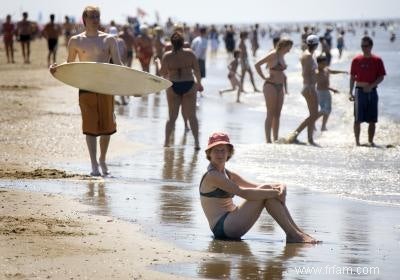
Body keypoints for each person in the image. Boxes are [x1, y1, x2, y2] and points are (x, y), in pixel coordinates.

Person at [199, 132, 319, 243]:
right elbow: (243, 193)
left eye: (223, 150)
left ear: (229, 152)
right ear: (209, 153)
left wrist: (280, 186)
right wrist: (275, 192)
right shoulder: (213, 175)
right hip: (223, 228)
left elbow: (254, 186)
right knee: (267, 193)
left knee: (267, 191)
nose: (220, 154)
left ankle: (297, 232)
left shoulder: (227, 173)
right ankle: (294, 235)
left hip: (232, 221)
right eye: (216, 150)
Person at [50, 6, 122, 176]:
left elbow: (119, 66)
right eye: (92, 16)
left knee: (107, 127)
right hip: (86, 88)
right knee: (90, 126)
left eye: (98, 16)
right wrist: (57, 69)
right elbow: (70, 65)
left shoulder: (109, 40)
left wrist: (134, 85)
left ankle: (103, 159)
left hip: (106, 88)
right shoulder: (76, 41)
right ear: (84, 19)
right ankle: (94, 164)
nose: (96, 19)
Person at [156, 31, 203, 150]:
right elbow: (197, 71)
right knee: (192, 116)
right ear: (183, 42)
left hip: (173, 85)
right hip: (189, 84)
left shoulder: (167, 56)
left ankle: (166, 142)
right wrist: (199, 83)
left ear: (171, 43)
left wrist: (157, 63)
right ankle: (197, 142)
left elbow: (161, 73)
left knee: (172, 117)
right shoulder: (190, 54)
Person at [349, 36, 386, 146]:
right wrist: (350, 92)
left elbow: (381, 77)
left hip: (372, 91)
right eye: (362, 46)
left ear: (371, 46)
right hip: (359, 92)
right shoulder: (356, 60)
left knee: (372, 120)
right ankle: (357, 142)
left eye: (366, 46)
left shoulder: (377, 60)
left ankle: (370, 141)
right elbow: (352, 77)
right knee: (357, 119)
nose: (364, 48)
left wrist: (371, 86)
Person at [255, 38, 293, 143]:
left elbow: (282, 74)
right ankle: (268, 140)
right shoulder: (273, 54)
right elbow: (257, 64)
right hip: (270, 86)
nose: (289, 51)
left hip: (280, 87)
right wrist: (264, 77)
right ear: (283, 46)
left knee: (278, 114)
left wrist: (286, 88)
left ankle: (275, 139)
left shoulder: (282, 56)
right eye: (288, 48)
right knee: (270, 113)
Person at [286, 35, 320, 145]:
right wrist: (310, 87)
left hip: (310, 86)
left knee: (312, 115)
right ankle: (295, 135)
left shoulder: (308, 54)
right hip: (309, 87)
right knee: (313, 115)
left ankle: (310, 139)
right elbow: (305, 73)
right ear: (316, 44)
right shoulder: (308, 56)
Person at [316, 55, 348, 131]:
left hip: (327, 92)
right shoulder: (317, 72)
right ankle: (312, 119)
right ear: (318, 63)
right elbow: (321, 85)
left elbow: (332, 72)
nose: (324, 65)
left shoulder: (326, 69)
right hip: (320, 93)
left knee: (328, 109)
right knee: (324, 109)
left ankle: (323, 126)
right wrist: (333, 89)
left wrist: (342, 72)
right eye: (322, 63)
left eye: (325, 63)